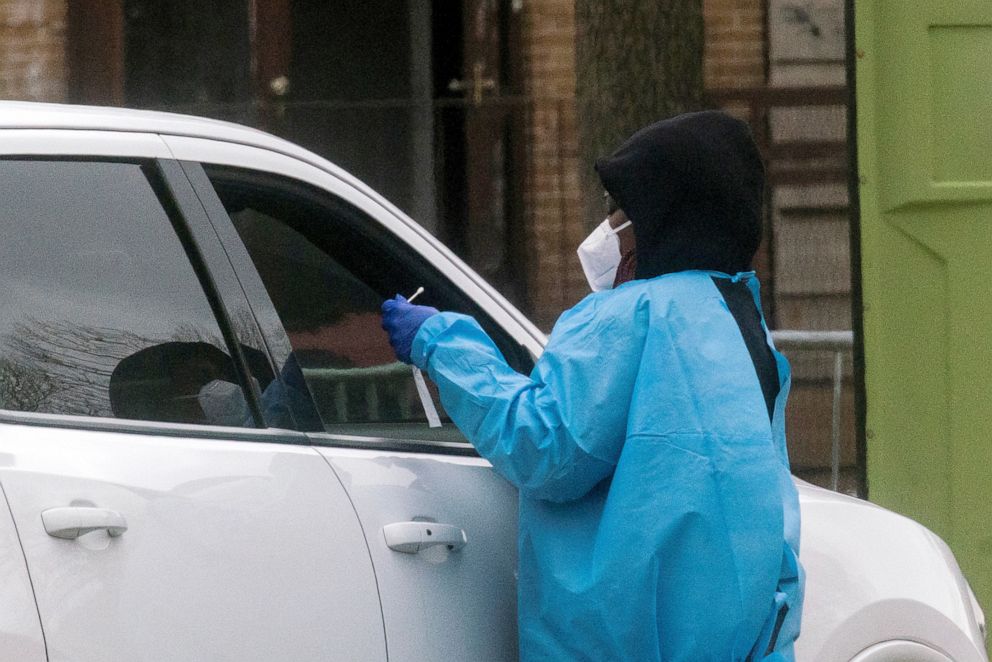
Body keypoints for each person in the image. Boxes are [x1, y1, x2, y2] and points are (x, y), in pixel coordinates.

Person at [381, 110, 803, 661]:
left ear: (658, 218)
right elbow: (778, 530)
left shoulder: (626, 318)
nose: (606, 230)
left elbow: (542, 444)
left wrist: (441, 342)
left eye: (618, 212)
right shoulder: (748, 330)